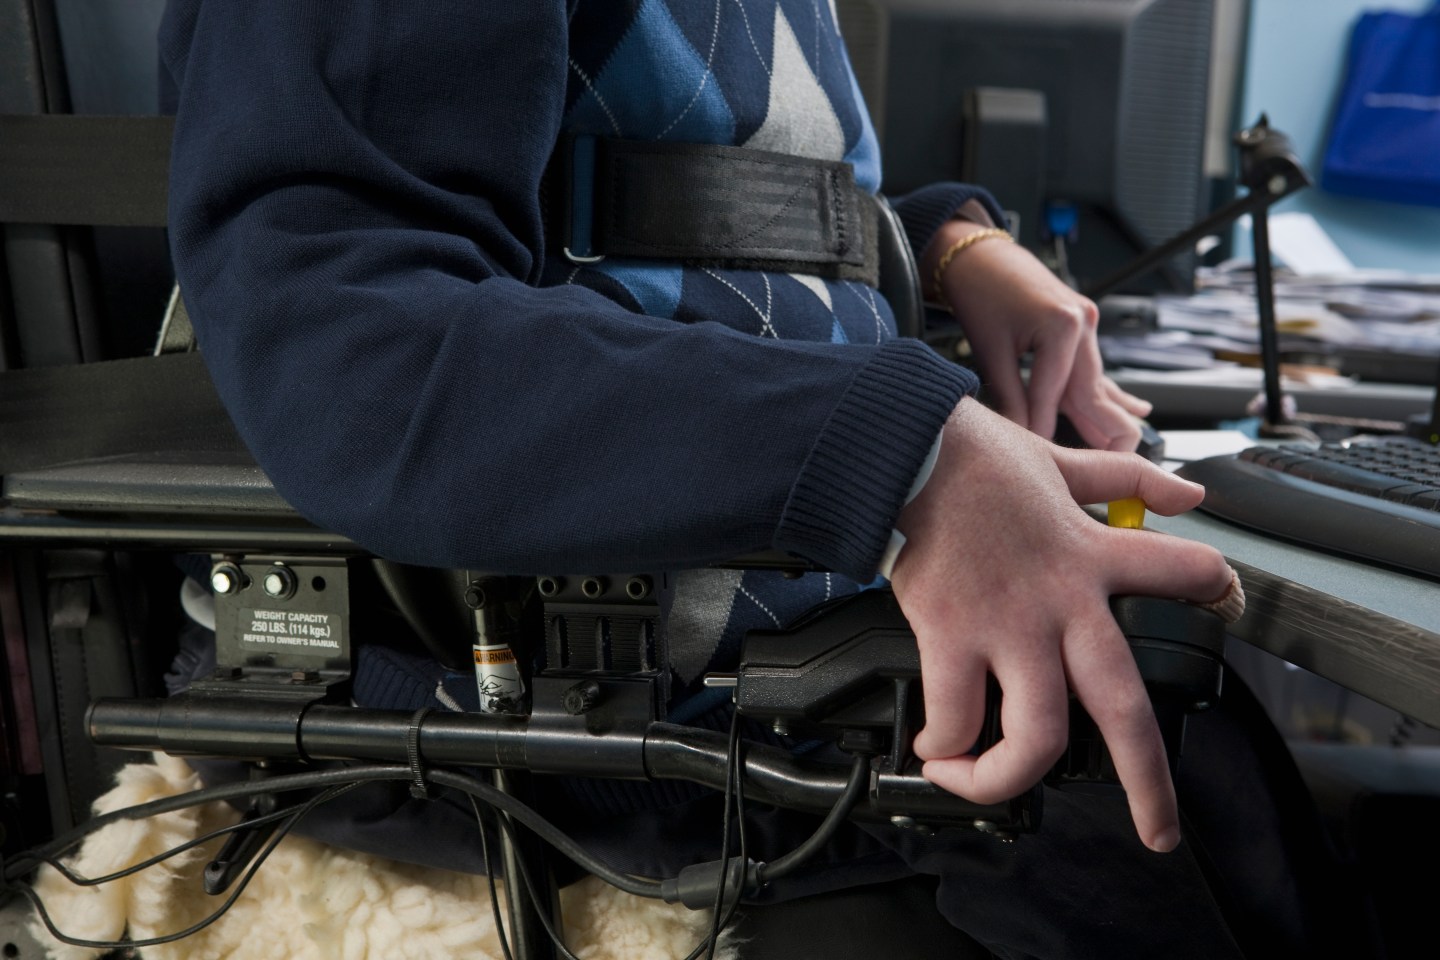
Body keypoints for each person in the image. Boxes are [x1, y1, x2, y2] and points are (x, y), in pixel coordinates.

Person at [154, 3, 1301, 958]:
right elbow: (350, 352)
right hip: (585, 716)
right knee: (1138, 803)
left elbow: (650, 191)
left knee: (1187, 711)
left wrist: (936, 244)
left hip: (766, 661)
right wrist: (907, 454)